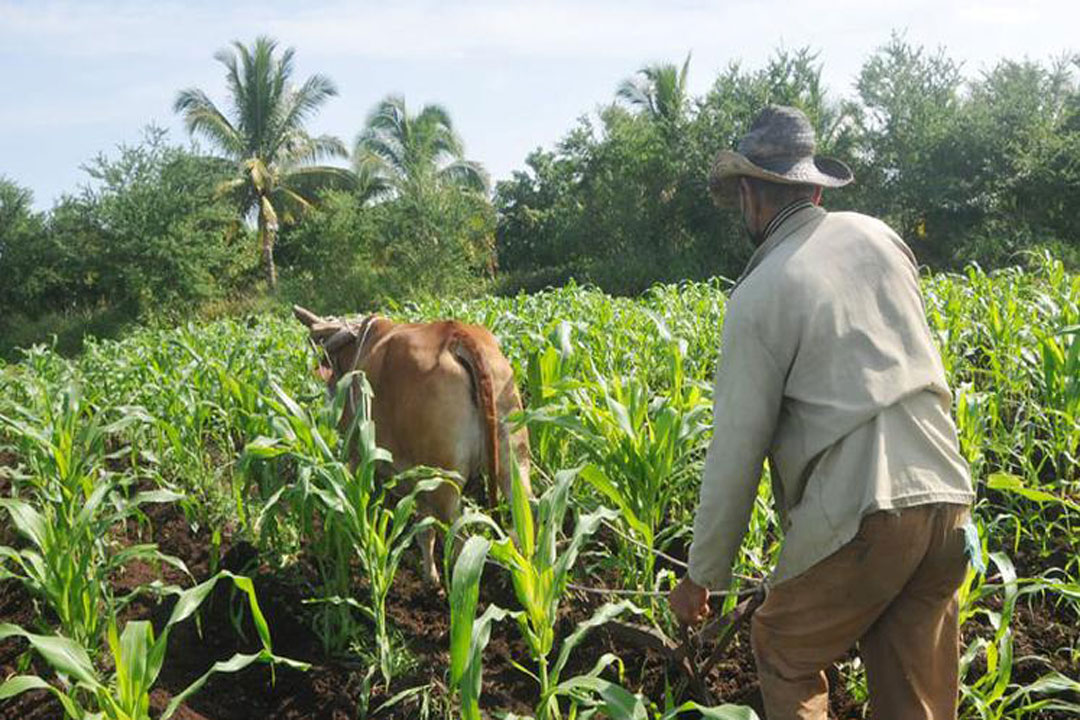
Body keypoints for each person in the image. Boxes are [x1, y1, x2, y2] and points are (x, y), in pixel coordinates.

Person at [667, 105, 976, 720]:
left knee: (783, 644)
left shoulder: (759, 293)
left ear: (753, 195)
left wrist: (702, 578)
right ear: (813, 188)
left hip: (869, 509)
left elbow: (736, 452)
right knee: (909, 683)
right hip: (946, 496)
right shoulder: (879, 237)